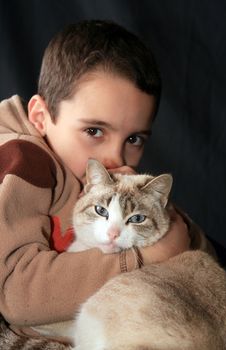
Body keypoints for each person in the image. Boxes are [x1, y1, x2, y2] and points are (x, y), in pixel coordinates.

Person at [0, 20, 214, 343]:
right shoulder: (24, 162)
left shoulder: (92, 167)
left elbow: (184, 245)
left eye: (135, 139)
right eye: (94, 131)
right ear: (41, 117)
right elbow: (16, 295)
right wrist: (141, 258)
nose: (117, 157)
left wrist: (170, 227)